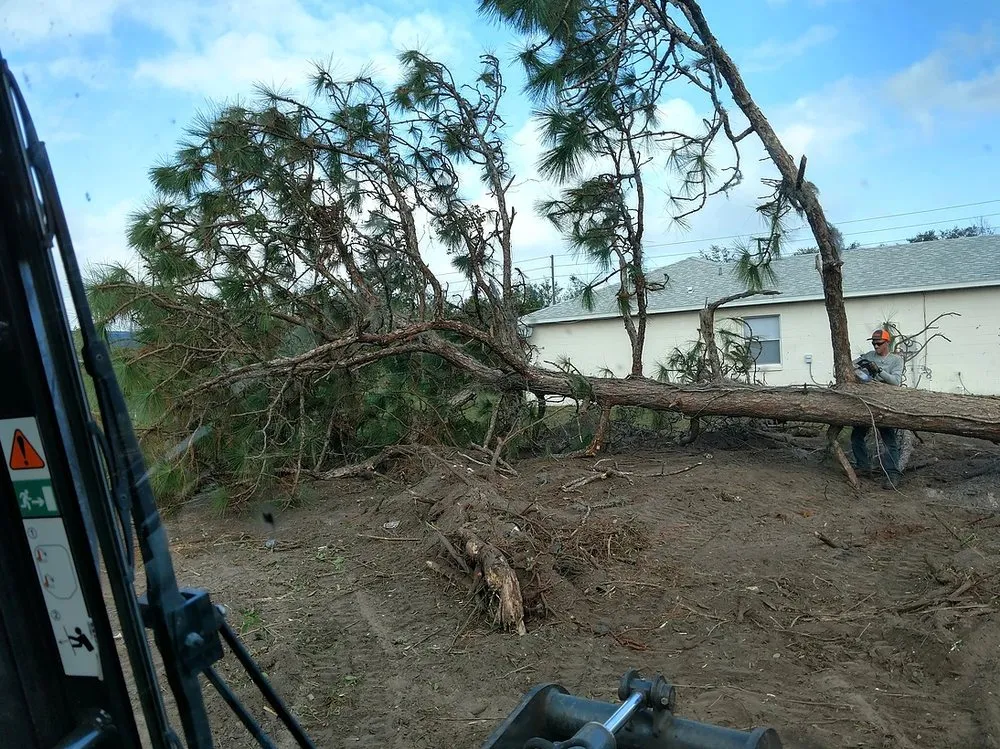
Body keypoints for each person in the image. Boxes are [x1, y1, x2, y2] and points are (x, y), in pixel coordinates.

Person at [851, 329, 904, 489]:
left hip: (885, 402)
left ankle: (892, 473)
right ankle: (863, 466)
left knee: (888, 440)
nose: (875, 346)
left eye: (879, 343)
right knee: (857, 436)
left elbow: (896, 382)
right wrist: (860, 371)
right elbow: (851, 365)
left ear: (887, 343)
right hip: (867, 400)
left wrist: (879, 371)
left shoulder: (895, 360)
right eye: (873, 343)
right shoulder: (868, 356)